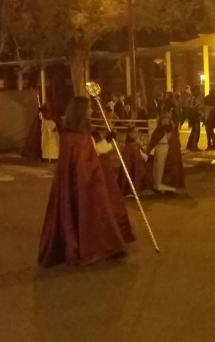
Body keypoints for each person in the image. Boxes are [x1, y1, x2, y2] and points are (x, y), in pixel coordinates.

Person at [38, 97, 135, 267]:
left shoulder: (72, 134)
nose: (91, 111)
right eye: (88, 109)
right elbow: (89, 157)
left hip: (82, 181)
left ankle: (90, 246)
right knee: (93, 214)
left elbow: (93, 151)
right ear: (80, 112)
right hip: (87, 182)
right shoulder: (79, 136)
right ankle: (93, 248)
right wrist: (106, 144)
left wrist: (107, 140)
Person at [145, 112, 185, 193]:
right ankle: (157, 184)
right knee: (159, 168)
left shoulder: (172, 131)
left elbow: (176, 142)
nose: (166, 122)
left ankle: (168, 185)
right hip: (159, 149)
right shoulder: (157, 131)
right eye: (164, 120)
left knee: (169, 168)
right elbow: (153, 142)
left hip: (169, 151)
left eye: (167, 120)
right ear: (161, 121)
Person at [185, 85, 202, 151]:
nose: (199, 91)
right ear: (195, 90)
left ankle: (190, 145)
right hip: (195, 116)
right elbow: (190, 107)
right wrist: (197, 107)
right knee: (196, 131)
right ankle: (194, 146)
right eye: (198, 90)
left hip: (194, 116)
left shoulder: (193, 97)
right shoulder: (193, 98)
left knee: (194, 131)